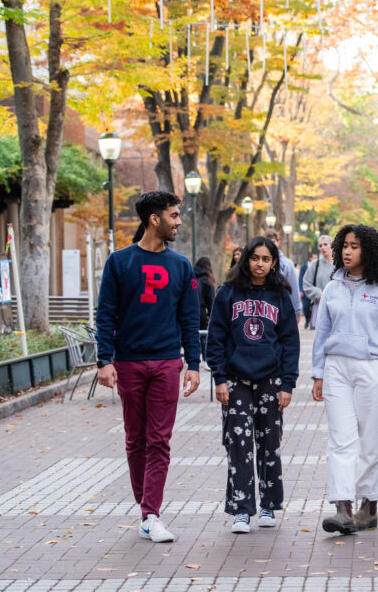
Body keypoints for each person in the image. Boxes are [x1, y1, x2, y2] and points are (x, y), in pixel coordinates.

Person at [95, 191, 201, 543]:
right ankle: (146, 505)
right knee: (135, 439)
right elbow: (106, 313)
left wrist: (194, 364)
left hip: (167, 362)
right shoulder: (119, 262)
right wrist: (104, 360)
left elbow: (189, 317)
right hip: (128, 363)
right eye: (173, 215)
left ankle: (150, 513)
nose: (179, 221)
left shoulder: (182, 265)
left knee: (159, 440)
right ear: (154, 219)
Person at [311, 224, 378, 535]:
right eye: (345, 246)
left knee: (370, 440)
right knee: (341, 439)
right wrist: (318, 373)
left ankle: (369, 506)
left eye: (355, 246)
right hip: (337, 368)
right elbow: (322, 333)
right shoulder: (332, 288)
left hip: (372, 369)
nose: (348, 251)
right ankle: (343, 508)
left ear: (368, 250)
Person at [206, 236, 301, 534]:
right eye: (255, 257)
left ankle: (269, 505)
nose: (260, 264)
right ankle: (241, 510)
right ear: (246, 259)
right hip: (236, 380)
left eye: (266, 259)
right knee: (239, 445)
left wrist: (288, 383)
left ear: (274, 263)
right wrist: (219, 378)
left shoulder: (280, 296)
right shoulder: (228, 292)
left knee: (269, 442)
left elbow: (290, 343)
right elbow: (216, 338)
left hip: (271, 380)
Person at [264, 229, 303, 322]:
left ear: (278, 242)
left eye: (273, 242)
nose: (271, 245)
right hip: (264, 309)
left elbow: (294, 288)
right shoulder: (260, 263)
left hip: (282, 309)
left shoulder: (287, 264)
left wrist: (297, 311)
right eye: (268, 242)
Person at [302, 235, 334, 328]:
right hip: (320, 306)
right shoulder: (315, 264)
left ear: (331, 245)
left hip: (337, 306)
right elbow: (306, 283)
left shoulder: (340, 264)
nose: (323, 247)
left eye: (325, 244)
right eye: (320, 245)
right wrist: (319, 294)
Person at [195, 257, 216, 367]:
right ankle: (206, 359)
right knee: (204, 336)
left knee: (192, 335)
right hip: (201, 311)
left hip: (190, 310)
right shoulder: (207, 279)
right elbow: (211, 300)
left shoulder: (191, 276)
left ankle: (194, 359)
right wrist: (210, 315)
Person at [299, 252, 317, 329]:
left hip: (314, 290)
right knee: (306, 307)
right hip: (305, 290)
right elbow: (300, 278)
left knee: (313, 307)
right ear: (310, 258)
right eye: (314, 257)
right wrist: (300, 290)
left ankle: (312, 322)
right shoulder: (304, 266)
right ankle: (307, 319)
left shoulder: (317, 266)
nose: (316, 259)